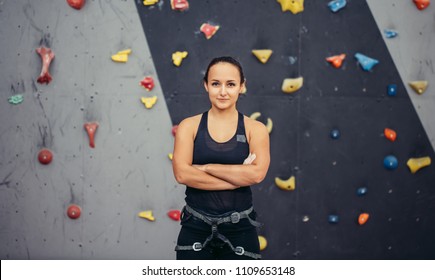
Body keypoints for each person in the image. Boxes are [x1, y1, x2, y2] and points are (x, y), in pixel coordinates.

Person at [172, 56, 270, 260]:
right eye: (216, 84)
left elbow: (257, 175)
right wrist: (237, 177)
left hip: (240, 229)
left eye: (231, 84)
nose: (223, 91)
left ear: (242, 86)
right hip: (195, 228)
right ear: (206, 85)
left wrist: (205, 168)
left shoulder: (256, 129)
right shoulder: (188, 126)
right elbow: (182, 174)